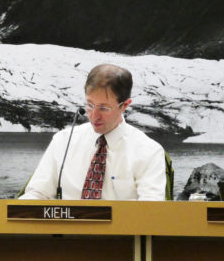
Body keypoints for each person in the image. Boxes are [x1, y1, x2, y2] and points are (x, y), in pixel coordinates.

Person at [20, 64, 166, 200]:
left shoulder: (149, 152)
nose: (94, 116)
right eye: (90, 105)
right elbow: (37, 194)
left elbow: (150, 212)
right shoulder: (63, 140)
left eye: (104, 108)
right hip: (65, 227)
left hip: (122, 227)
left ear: (125, 105)